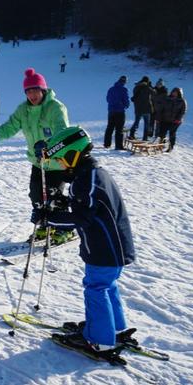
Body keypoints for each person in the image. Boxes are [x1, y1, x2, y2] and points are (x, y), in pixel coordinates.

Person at [38, 126, 136, 358]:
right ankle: (114, 328)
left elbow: (81, 219)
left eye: (62, 159)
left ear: (73, 155)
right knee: (106, 286)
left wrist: (48, 218)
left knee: (96, 288)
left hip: (104, 249)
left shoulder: (87, 180)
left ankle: (100, 340)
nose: (61, 165)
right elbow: (89, 207)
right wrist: (64, 201)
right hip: (114, 247)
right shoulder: (93, 174)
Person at [0, 68, 72, 244]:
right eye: (28, 91)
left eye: (35, 90)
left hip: (57, 162)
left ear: (43, 90)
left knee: (54, 197)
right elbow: (11, 126)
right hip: (38, 162)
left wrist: (49, 146)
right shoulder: (24, 110)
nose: (32, 95)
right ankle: (45, 225)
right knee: (36, 196)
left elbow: (62, 132)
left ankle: (64, 228)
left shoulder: (55, 108)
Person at [104, 76, 129, 150]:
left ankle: (107, 144)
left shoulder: (111, 89)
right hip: (120, 111)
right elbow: (126, 100)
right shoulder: (124, 89)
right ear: (124, 82)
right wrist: (126, 105)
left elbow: (108, 99)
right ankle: (118, 146)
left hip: (111, 111)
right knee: (119, 129)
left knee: (110, 127)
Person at [158, 87, 186, 152]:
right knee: (162, 132)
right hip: (165, 119)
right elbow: (162, 108)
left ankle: (171, 147)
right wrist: (159, 117)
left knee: (172, 133)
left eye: (176, 92)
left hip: (175, 121)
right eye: (173, 92)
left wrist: (178, 119)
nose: (174, 93)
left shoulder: (182, 101)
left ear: (179, 93)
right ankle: (161, 145)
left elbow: (183, 111)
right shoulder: (167, 99)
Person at [129, 76, 154, 140]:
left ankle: (131, 134)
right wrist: (150, 86)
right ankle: (145, 138)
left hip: (138, 108)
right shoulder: (147, 87)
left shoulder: (136, 87)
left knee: (136, 122)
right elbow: (154, 93)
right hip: (147, 108)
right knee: (146, 124)